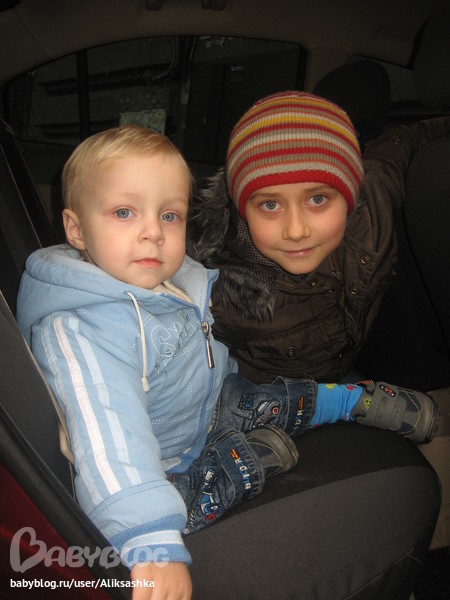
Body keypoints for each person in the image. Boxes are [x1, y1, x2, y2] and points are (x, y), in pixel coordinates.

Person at [16, 125, 438, 599]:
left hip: (213, 404)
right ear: (76, 229)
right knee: (186, 503)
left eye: (169, 215)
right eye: (124, 212)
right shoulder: (80, 330)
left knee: (274, 397)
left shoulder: (172, 280)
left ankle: (349, 401)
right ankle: (238, 464)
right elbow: (108, 438)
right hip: (163, 462)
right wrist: (150, 545)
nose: (153, 232)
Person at [187, 91, 450, 386]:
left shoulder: (373, 204)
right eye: (270, 205)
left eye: (317, 199)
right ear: (242, 210)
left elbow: (402, 143)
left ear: (351, 195)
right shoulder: (214, 294)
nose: (296, 231)